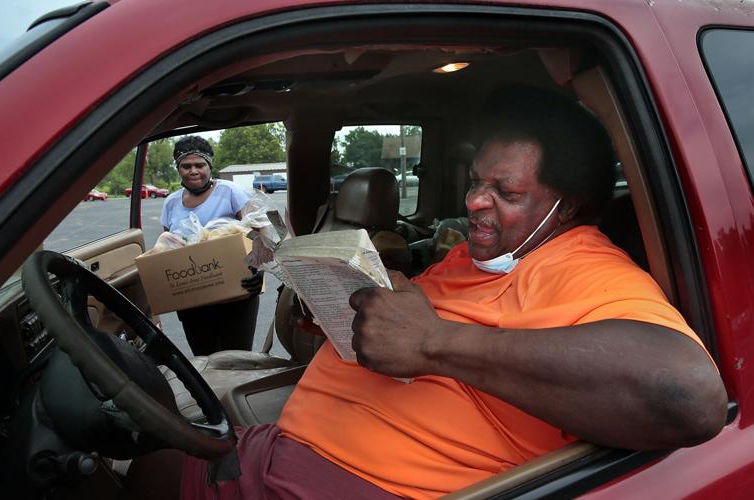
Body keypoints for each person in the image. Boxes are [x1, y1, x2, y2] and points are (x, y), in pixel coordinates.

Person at [131, 87, 727, 499]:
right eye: (475, 182)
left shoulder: (583, 267)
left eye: (506, 191)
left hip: (350, 483)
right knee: (146, 456)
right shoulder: (476, 255)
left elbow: (687, 395)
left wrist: (434, 341)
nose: (473, 202)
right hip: (286, 450)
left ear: (566, 206)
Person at [159, 135, 264, 355]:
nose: (193, 171)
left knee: (237, 357)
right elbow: (167, 247)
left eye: (200, 165)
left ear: (210, 166)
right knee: (204, 357)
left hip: (236, 289)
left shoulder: (230, 191)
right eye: (186, 166)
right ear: (178, 168)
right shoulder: (171, 202)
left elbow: (261, 230)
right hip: (193, 294)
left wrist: (259, 269)